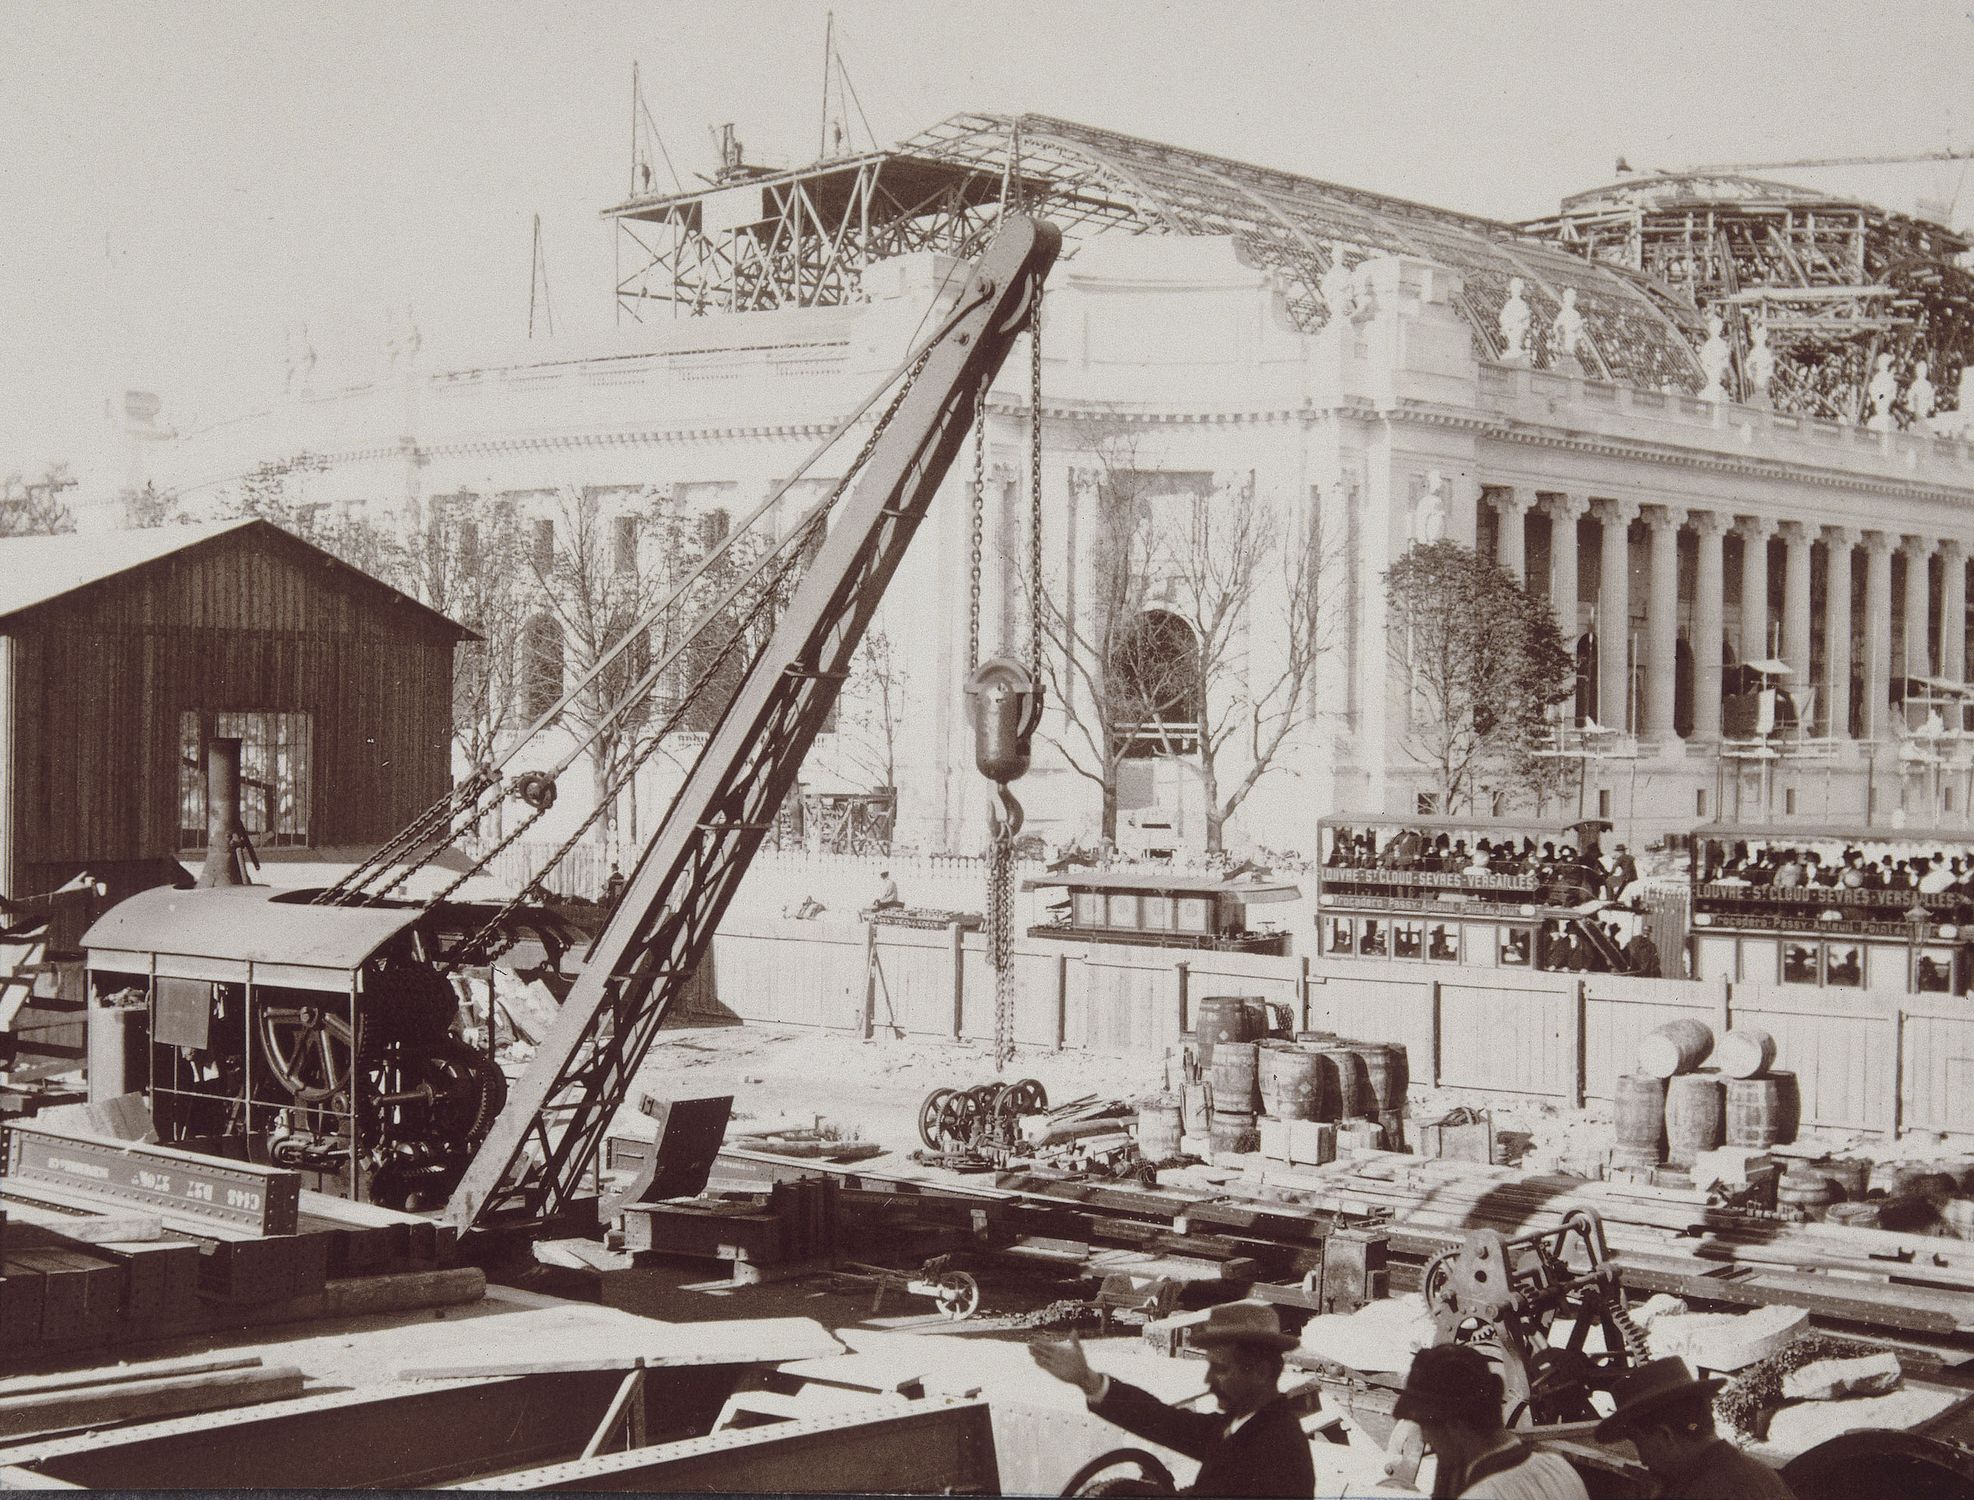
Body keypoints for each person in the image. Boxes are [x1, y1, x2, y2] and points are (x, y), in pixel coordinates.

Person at [1029, 1301, 1315, 1498]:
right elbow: (1165, 1422)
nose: (1208, 1381)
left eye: (1220, 1369)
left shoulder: (1278, 1449)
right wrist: (1088, 1380)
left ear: (1261, 1372)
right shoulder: (1242, 1426)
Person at [1393, 1344, 1587, 1498]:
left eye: (1426, 1428)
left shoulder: (1482, 1494)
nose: (1427, 1440)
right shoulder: (1559, 1469)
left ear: (1455, 1426)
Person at [1595, 1356, 1794, 1498]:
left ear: (1666, 1435)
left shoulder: (1700, 1491)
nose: (1643, 1459)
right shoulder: (1758, 1473)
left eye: (1637, 1441)